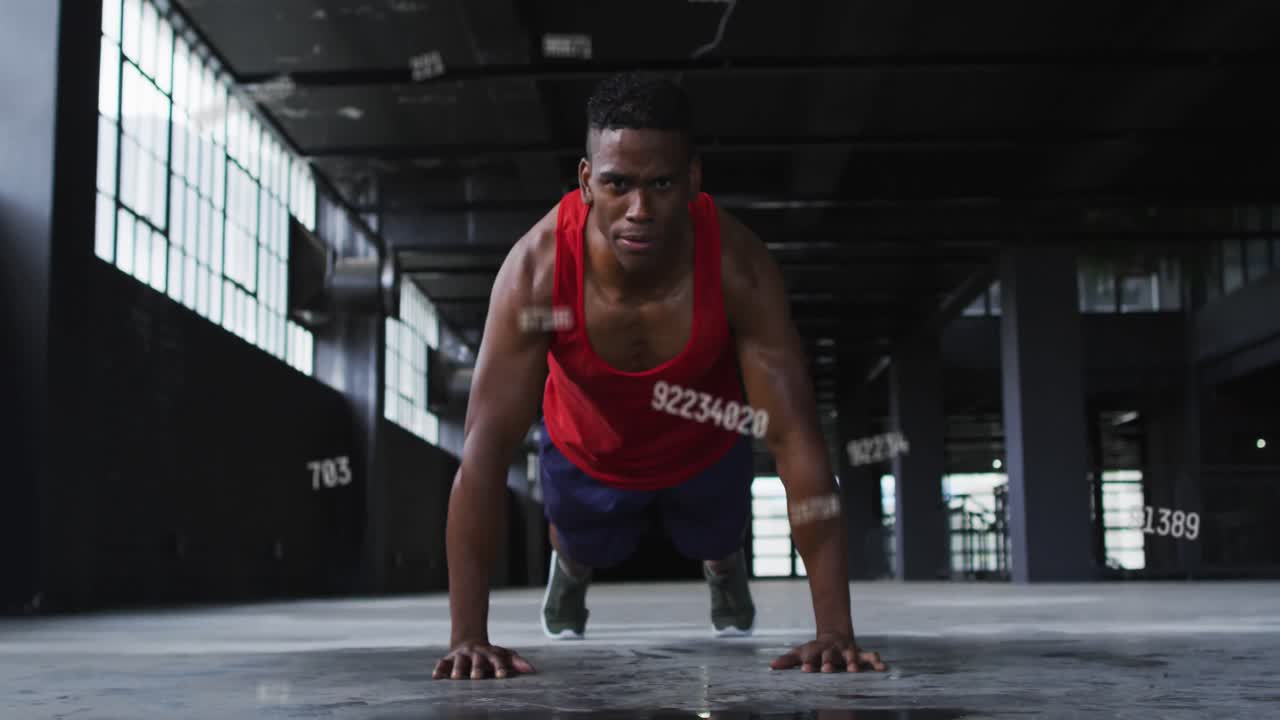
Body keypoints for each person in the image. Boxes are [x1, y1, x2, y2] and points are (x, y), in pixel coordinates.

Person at [432, 72, 886, 681]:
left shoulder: (738, 267)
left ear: (693, 180)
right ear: (586, 181)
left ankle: (724, 568)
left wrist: (835, 631)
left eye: (662, 184)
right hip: (586, 451)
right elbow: (484, 453)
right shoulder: (537, 272)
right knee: (584, 544)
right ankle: (570, 569)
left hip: (706, 446)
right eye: (617, 184)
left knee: (717, 537)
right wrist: (467, 637)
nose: (639, 211)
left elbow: (795, 437)